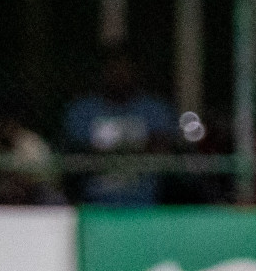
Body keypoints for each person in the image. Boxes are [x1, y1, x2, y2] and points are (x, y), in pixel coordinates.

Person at [62, 44, 177, 206]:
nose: (118, 75)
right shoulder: (82, 111)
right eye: (112, 69)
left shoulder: (154, 109)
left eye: (124, 69)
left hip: (146, 205)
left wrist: (107, 149)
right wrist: (136, 147)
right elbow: (80, 156)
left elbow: (162, 151)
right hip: (94, 205)